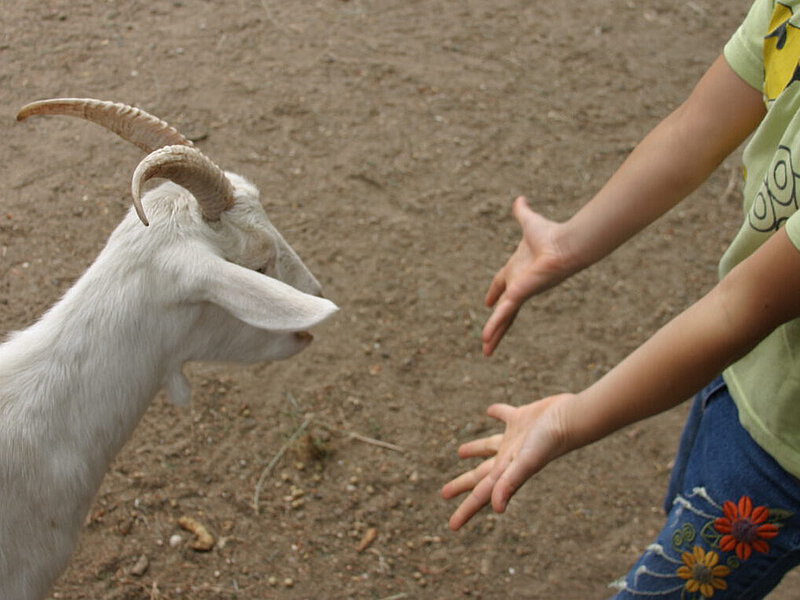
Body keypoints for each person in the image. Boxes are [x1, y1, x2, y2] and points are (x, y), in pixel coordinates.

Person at [441, 1, 800, 597]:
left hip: (783, 450)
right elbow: (695, 129)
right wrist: (568, 243)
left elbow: (737, 312)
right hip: (749, 379)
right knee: (690, 497)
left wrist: (567, 419)